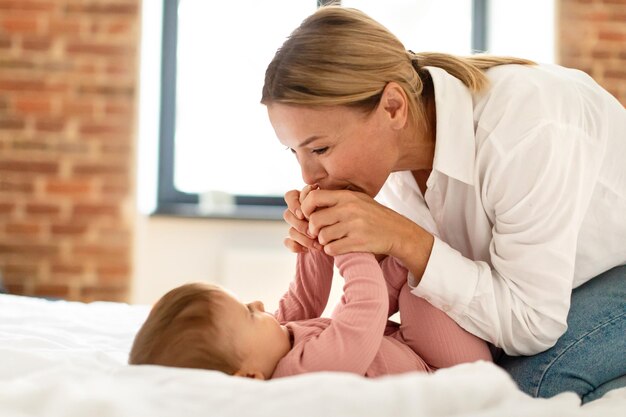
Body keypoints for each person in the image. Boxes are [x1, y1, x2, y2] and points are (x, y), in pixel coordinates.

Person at [261, 5, 626, 403]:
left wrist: (405, 240)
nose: (308, 177)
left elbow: (532, 322)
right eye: (294, 152)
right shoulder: (386, 168)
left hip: (613, 271)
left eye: (320, 148)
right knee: (459, 379)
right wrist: (327, 249)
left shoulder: (524, 129)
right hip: (554, 287)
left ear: (393, 107)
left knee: (528, 388)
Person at [128, 228, 491, 379]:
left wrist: (314, 239)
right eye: (249, 314)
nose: (258, 304)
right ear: (250, 377)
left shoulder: (273, 343)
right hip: (445, 364)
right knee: (420, 278)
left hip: (400, 345)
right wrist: (347, 240)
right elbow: (366, 304)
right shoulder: (306, 370)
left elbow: (306, 297)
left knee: (398, 262)